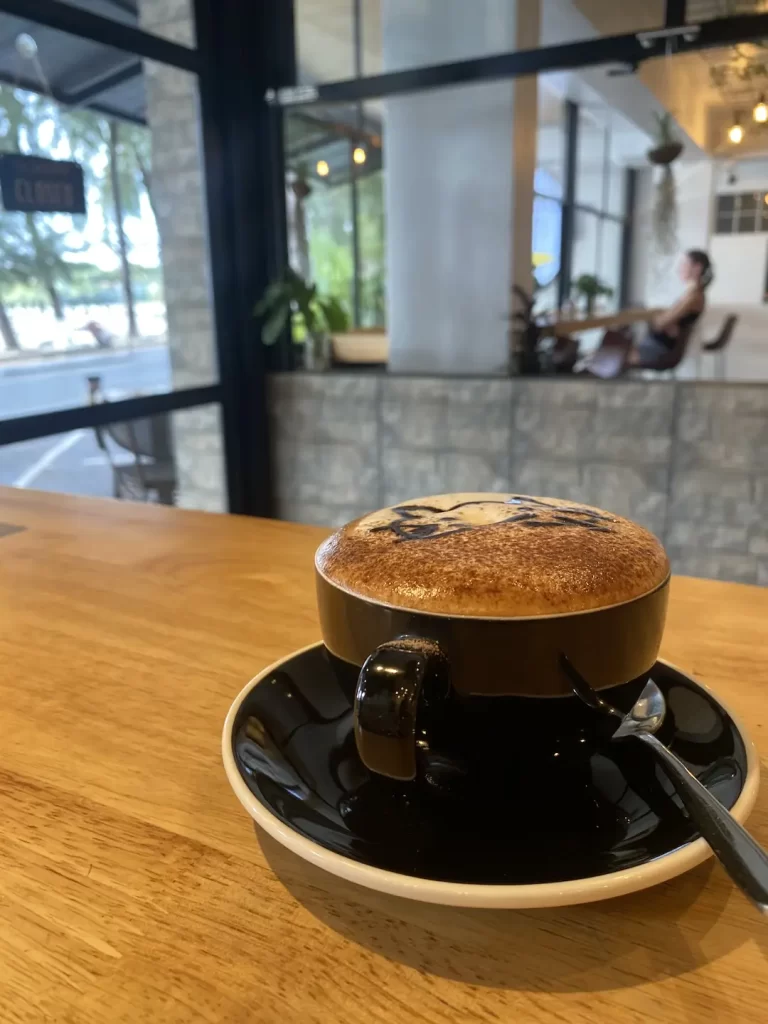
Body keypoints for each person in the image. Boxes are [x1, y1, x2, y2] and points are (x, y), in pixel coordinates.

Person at [630, 249, 713, 366]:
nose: (680, 268)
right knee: (612, 348)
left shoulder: (694, 297)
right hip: (656, 345)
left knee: (613, 350)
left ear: (697, 268)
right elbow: (666, 321)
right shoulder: (691, 294)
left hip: (660, 351)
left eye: (684, 264)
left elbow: (661, 323)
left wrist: (654, 319)